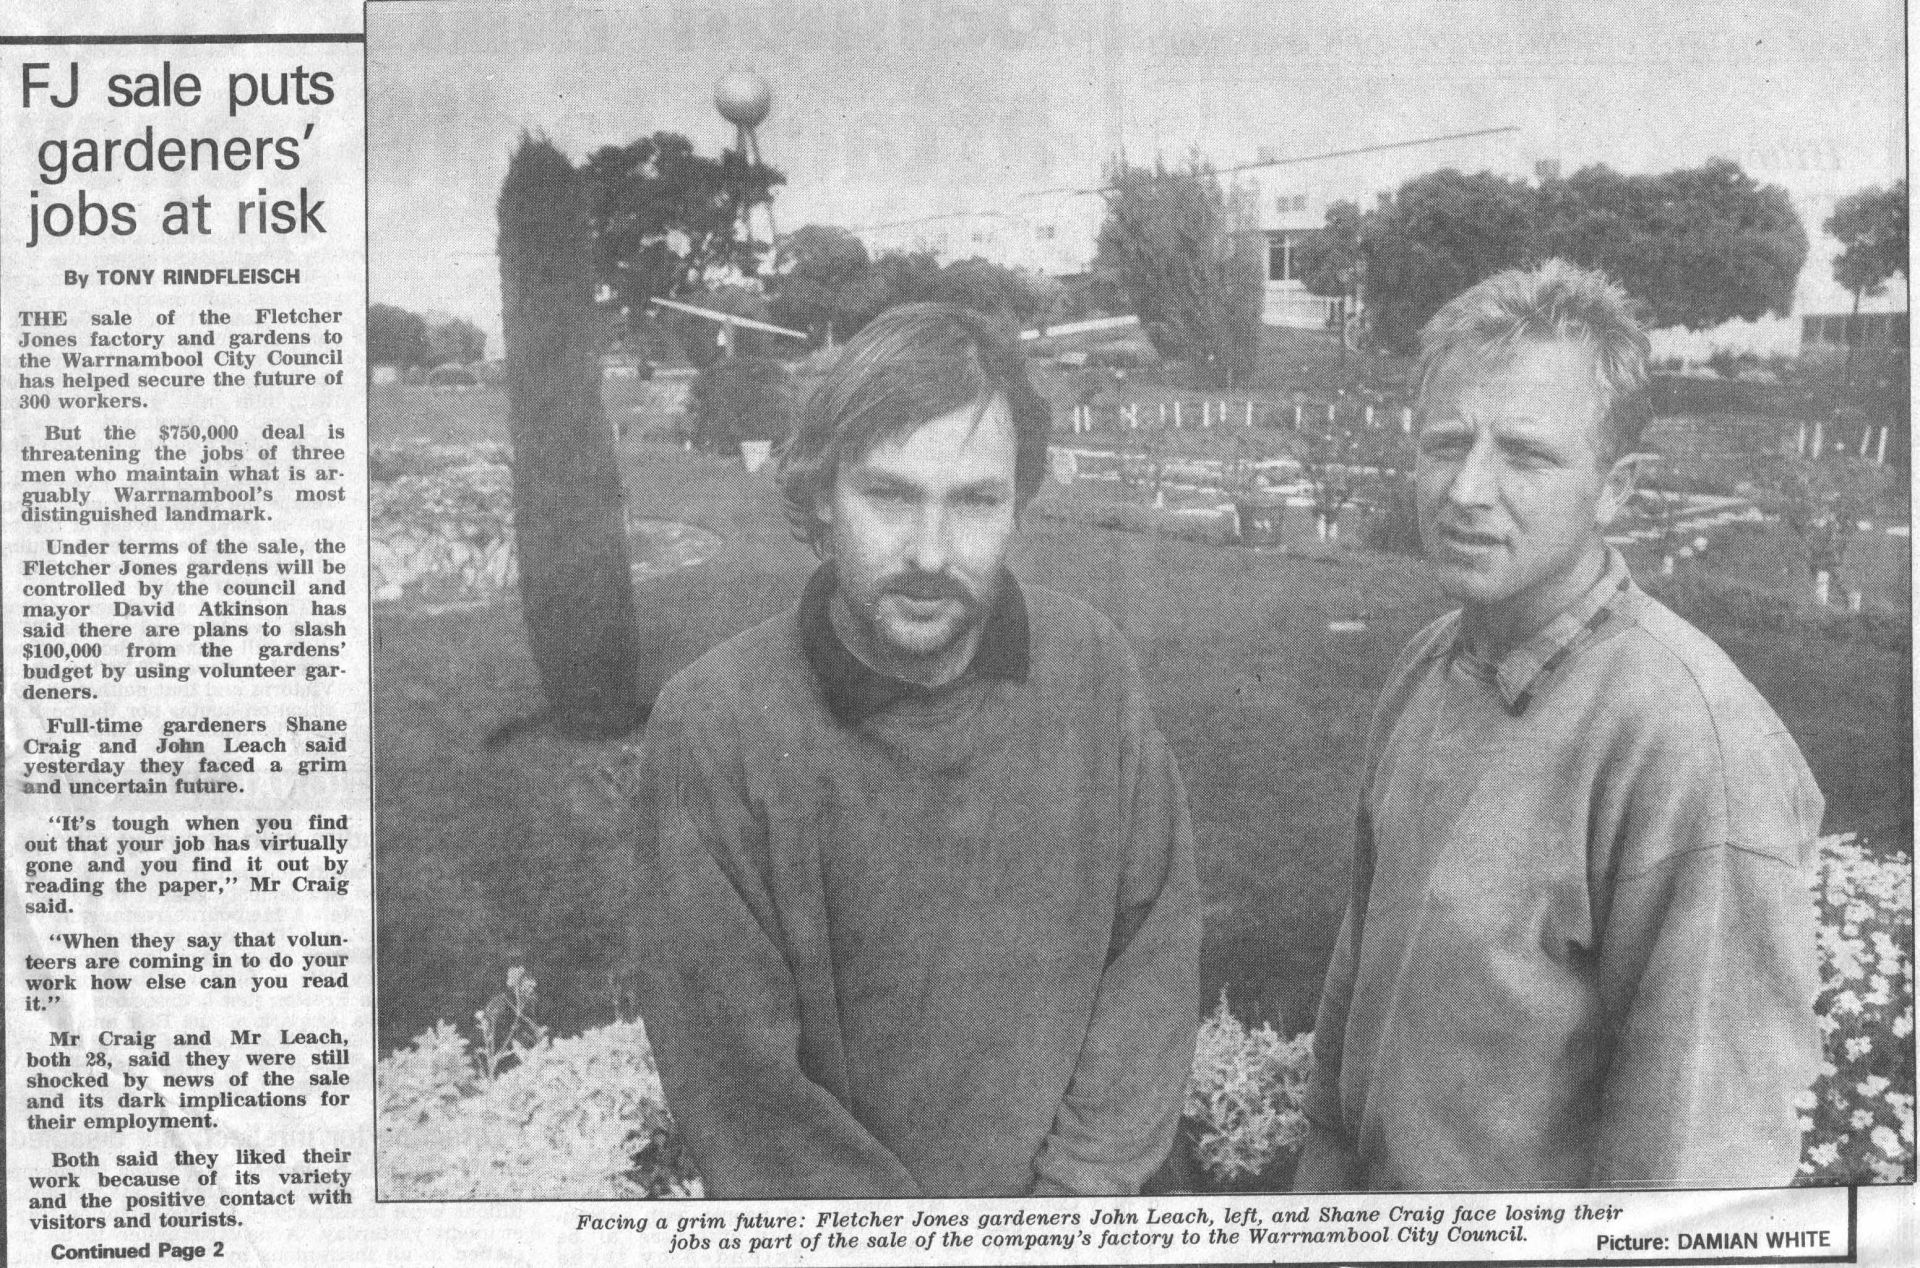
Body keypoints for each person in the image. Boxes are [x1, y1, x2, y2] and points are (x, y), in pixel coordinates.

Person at [633, 303, 1201, 1198]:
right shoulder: (715, 725)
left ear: (1019, 506)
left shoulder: (1092, 666)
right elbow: (742, 1090)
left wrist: (1074, 1202)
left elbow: (1152, 954)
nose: (932, 553)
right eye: (891, 496)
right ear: (823, 497)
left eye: (975, 500)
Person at [1296, 260, 1824, 1192]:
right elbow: (1363, 965)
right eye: (1445, 442)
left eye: (1526, 455)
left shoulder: (1689, 744)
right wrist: (1324, 1167)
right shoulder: (1428, 664)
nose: (1465, 489)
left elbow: (1695, 1176)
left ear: (1616, 488)